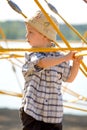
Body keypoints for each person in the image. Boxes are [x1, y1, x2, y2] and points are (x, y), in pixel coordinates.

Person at [19, 10, 83, 130]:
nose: (26, 36)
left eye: (30, 32)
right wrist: (65, 57)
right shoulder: (32, 54)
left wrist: (76, 64)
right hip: (32, 111)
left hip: (53, 115)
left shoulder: (59, 56)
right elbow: (42, 63)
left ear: (45, 36)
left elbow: (69, 78)